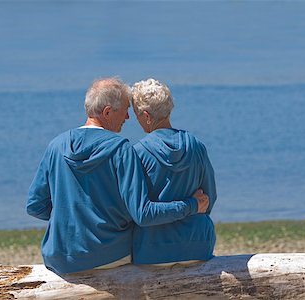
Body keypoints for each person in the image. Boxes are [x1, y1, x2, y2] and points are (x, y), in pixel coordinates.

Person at [26, 77, 210, 275]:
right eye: (124, 109)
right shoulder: (122, 150)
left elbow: (35, 206)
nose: (128, 117)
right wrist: (191, 205)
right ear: (107, 112)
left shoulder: (56, 146)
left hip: (60, 257)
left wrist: (67, 219)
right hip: (110, 255)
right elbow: (142, 213)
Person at [131, 78, 217, 265]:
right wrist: (191, 205)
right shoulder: (196, 146)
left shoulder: (138, 153)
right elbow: (208, 200)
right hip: (199, 245)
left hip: (153, 249)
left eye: (136, 114)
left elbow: (142, 214)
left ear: (146, 115)